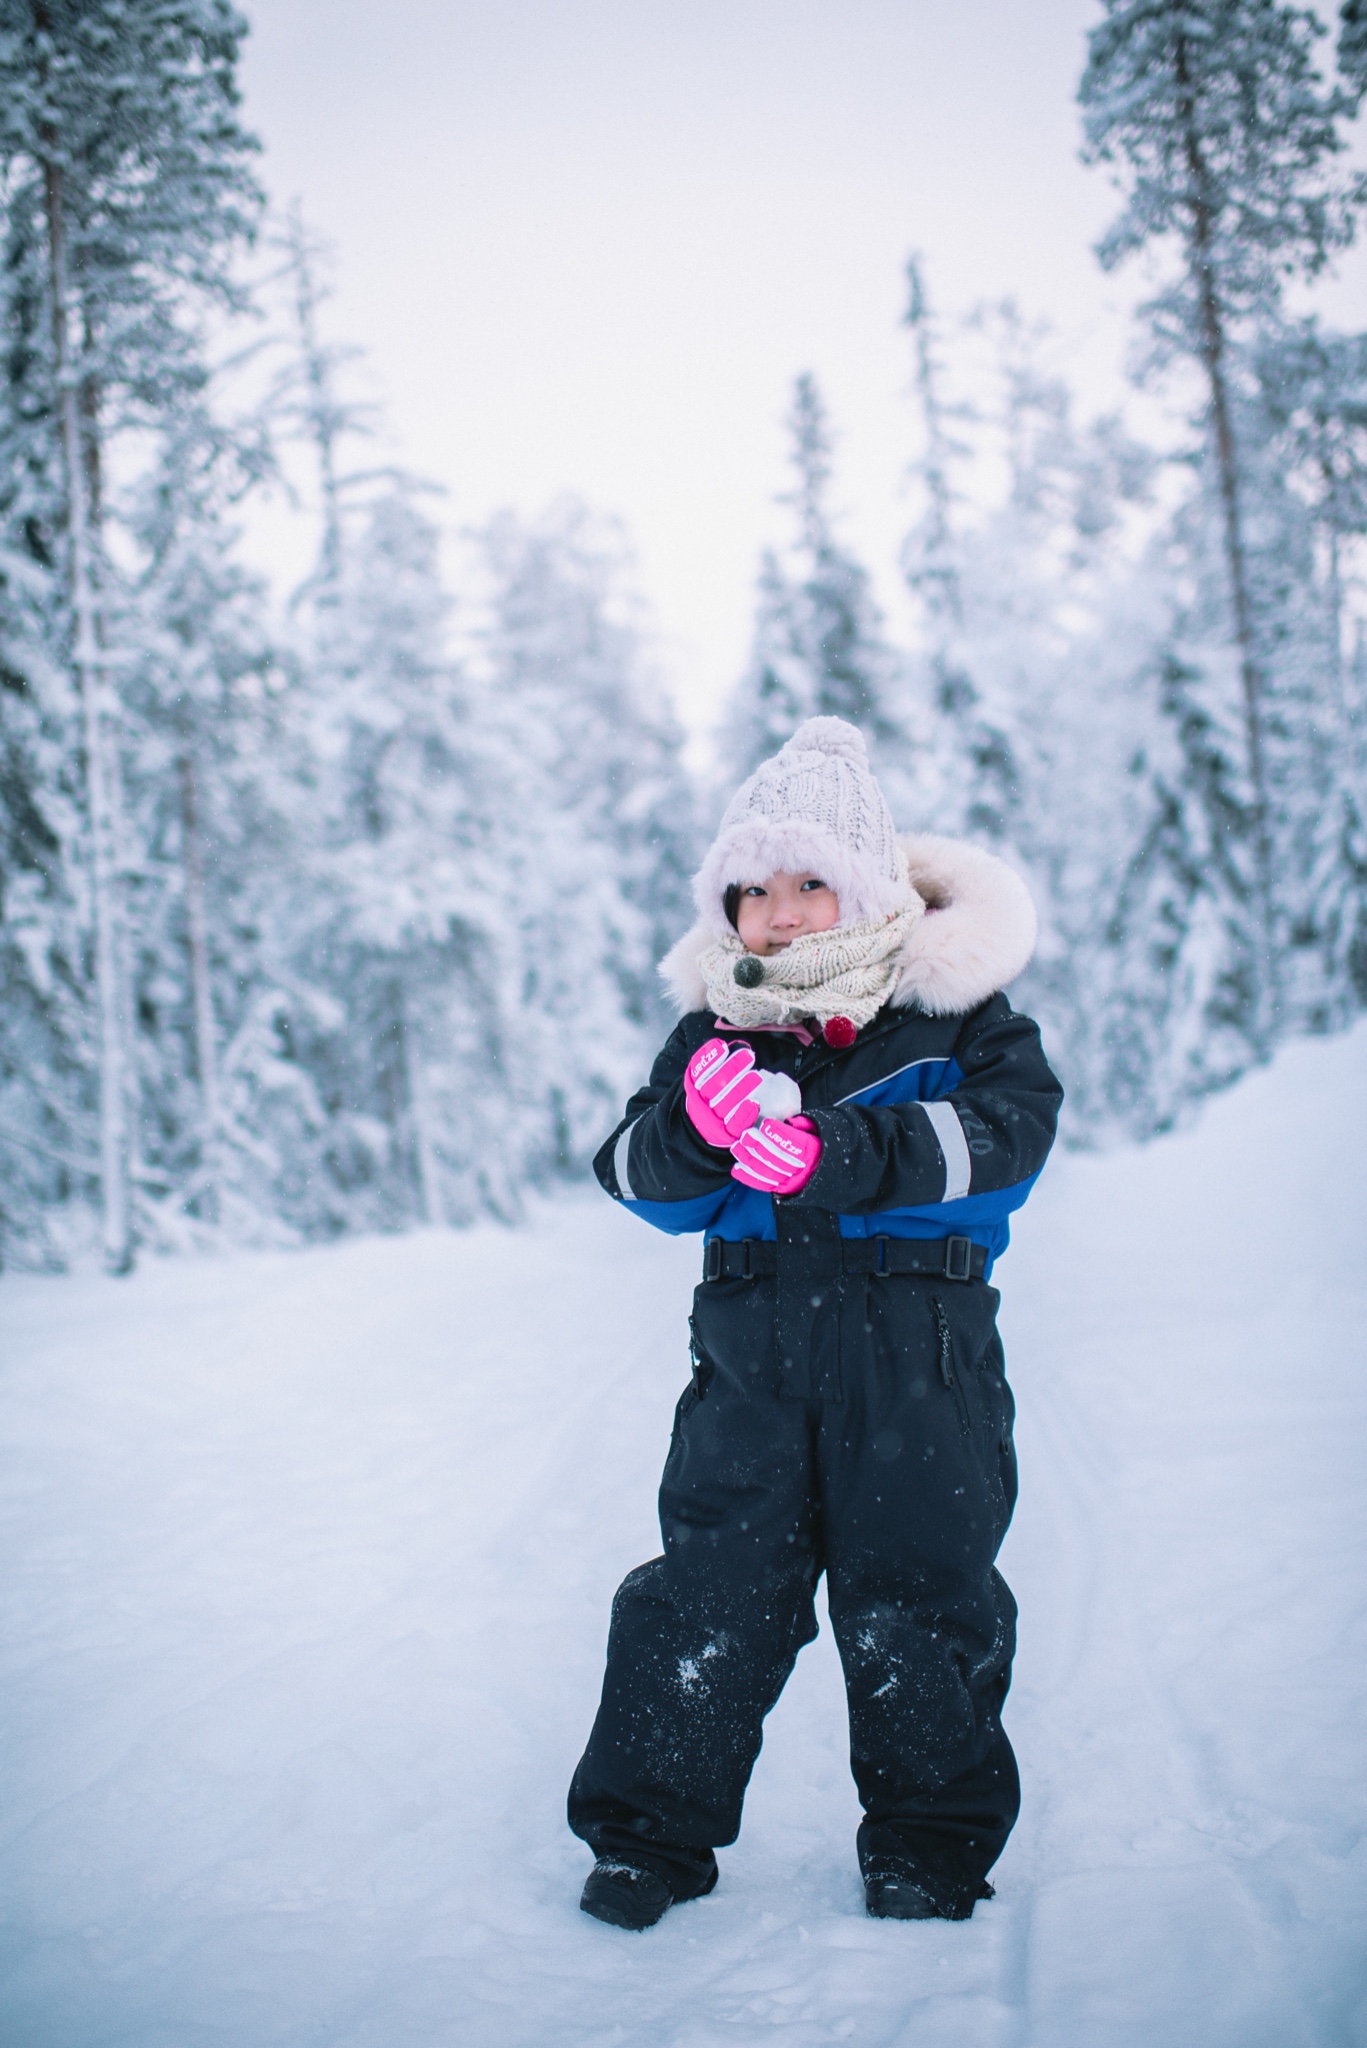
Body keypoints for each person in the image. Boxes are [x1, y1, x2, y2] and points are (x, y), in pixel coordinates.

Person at [568, 716, 1062, 1931]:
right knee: (707, 1595)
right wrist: (691, 1128)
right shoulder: (712, 1034)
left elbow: (1007, 1140)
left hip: (921, 1358)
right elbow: (633, 1176)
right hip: (749, 1361)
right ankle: (648, 1839)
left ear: (868, 890)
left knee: (920, 1596)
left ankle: (928, 1845)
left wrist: (843, 1149)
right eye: (754, 889)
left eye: (809, 883)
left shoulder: (955, 1018)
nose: (780, 914)